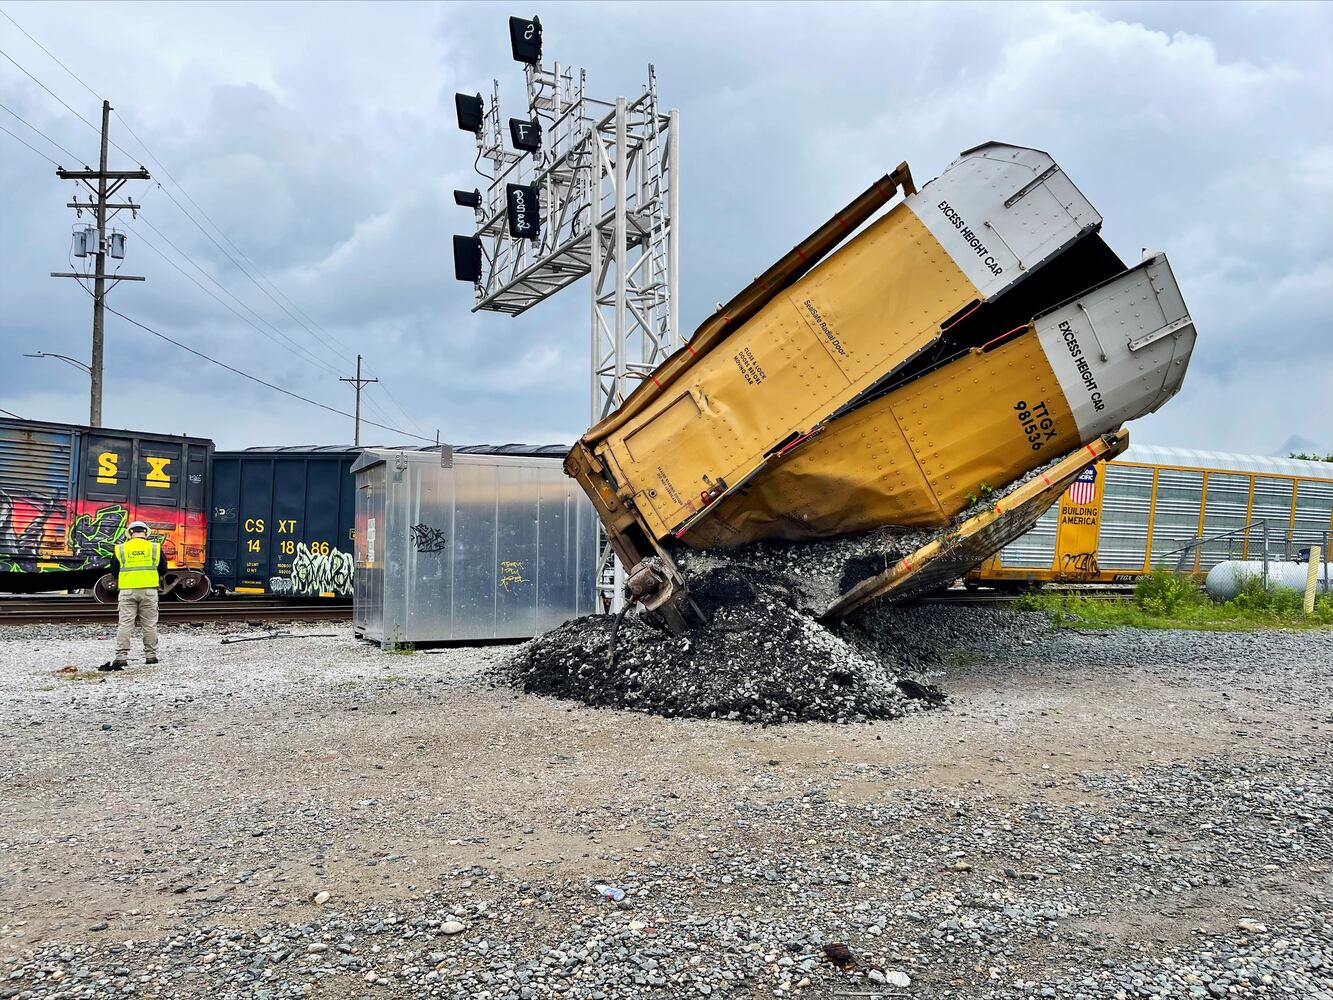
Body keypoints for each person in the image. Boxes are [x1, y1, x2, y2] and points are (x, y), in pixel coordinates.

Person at [104, 521, 167, 670]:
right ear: (146, 533)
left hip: (127, 591)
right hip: (149, 591)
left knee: (125, 624)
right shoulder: (155, 548)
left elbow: (114, 571)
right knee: (149, 625)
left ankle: (121, 657)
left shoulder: (120, 549)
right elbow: (163, 569)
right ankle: (151, 656)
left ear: (130, 533)